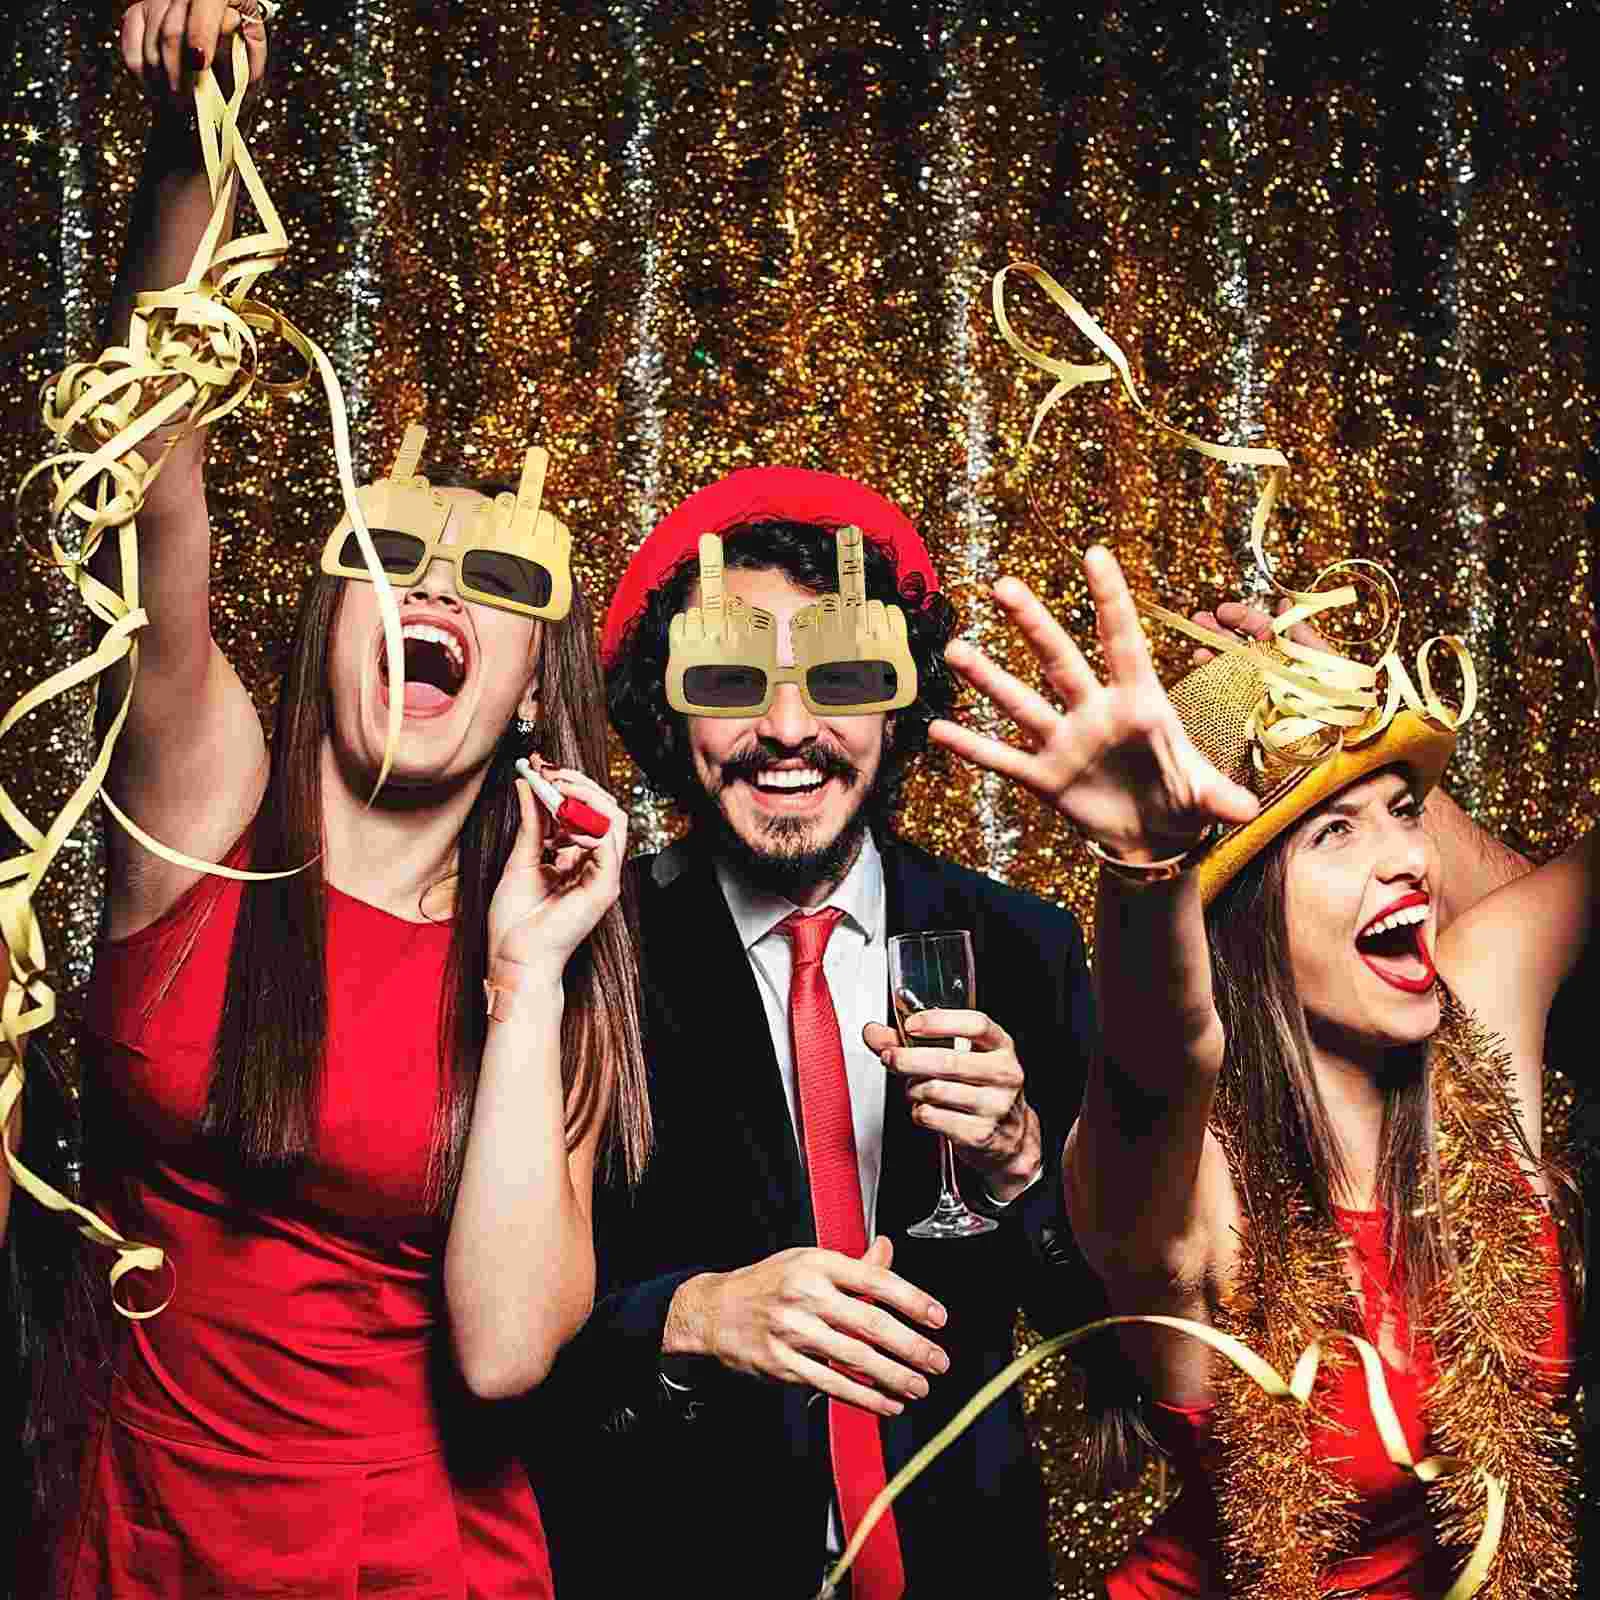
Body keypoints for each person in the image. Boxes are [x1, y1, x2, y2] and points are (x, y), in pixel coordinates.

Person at [39, 6, 649, 1594]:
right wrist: (196, 136)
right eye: (390, 555)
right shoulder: (207, 799)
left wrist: (526, 978)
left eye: (496, 580)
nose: (434, 587)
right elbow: (149, 470)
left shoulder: (549, 968)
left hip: (412, 1567)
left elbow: (506, 1350)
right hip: (133, 1547)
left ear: (535, 688)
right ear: (328, 619)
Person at [932, 546, 1582, 1597]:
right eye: (1332, 832)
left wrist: (1363, 731)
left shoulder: (1479, 1021)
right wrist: (1146, 867)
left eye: (1404, 812)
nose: (1406, 860)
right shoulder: (1189, 1201)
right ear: (1241, 921)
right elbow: (1159, 1057)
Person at [526, 468, 1097, 1598]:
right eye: (731, 680)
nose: (787, 730)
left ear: (897, 702)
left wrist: (1024, 1164)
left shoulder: (1022, 943)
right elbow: (493, 1352)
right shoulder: (585, 949)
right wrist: (690, 1317)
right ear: (667, 708)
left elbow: (1121, 1328)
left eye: (836, 676)